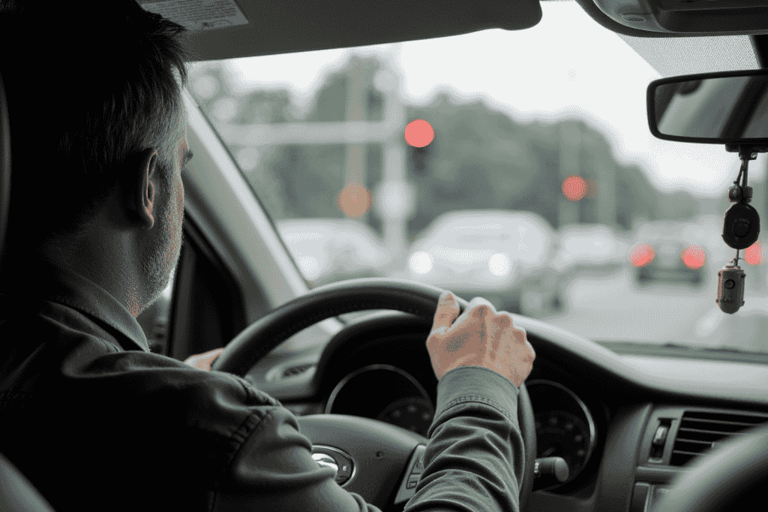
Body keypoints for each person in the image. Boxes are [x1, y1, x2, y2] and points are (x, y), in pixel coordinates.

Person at [0, 1, 536, 511]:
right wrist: (480, 389)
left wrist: (174, 376)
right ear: (147, 187)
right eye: (180, 167)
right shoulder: (203, 431)